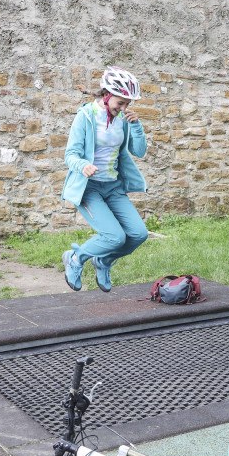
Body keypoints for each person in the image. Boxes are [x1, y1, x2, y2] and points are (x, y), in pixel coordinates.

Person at [60, 66, 149, 292]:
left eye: (127, 104)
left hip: (113, 187)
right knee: (114, 236)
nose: (123, 108)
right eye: (120, 102)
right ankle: (75, 258)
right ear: (107, 95)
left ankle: (104, 261)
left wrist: (136, 126)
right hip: (89, 188)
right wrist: (83, 165)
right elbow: (70, 155)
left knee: (139, 234)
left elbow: (139, 151)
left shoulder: (123, 120)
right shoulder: (86, 117)